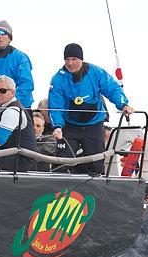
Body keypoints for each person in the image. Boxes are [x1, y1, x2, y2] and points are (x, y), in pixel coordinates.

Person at [48, 43, 134, 174]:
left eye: (74, 59)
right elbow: (55, 106)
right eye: (67, 59)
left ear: (81, 59)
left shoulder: (97, 73)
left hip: (94, 126)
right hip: (69, 126)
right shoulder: (58, 79)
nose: (70, 63)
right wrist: (57, 127)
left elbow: (112, 89)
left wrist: (123, 105)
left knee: (96, 166)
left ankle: (97, 192)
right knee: (61, 164)